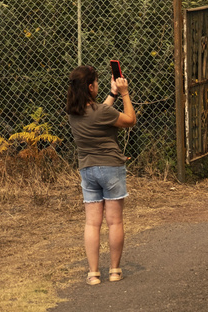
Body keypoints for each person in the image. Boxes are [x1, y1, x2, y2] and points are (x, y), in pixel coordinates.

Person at [66, 64, 136, 285]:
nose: (98, 85)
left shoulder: (73, 113)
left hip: (87, 170)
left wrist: (111, 93)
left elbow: (99, 113)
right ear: (89, 86)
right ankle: (114, 271)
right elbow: (130, 120)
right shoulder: (103, 113)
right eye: (96, 83)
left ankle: (93, 273)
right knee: (114, 222)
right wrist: (124, 93)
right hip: (110, 168)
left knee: (92, 224)